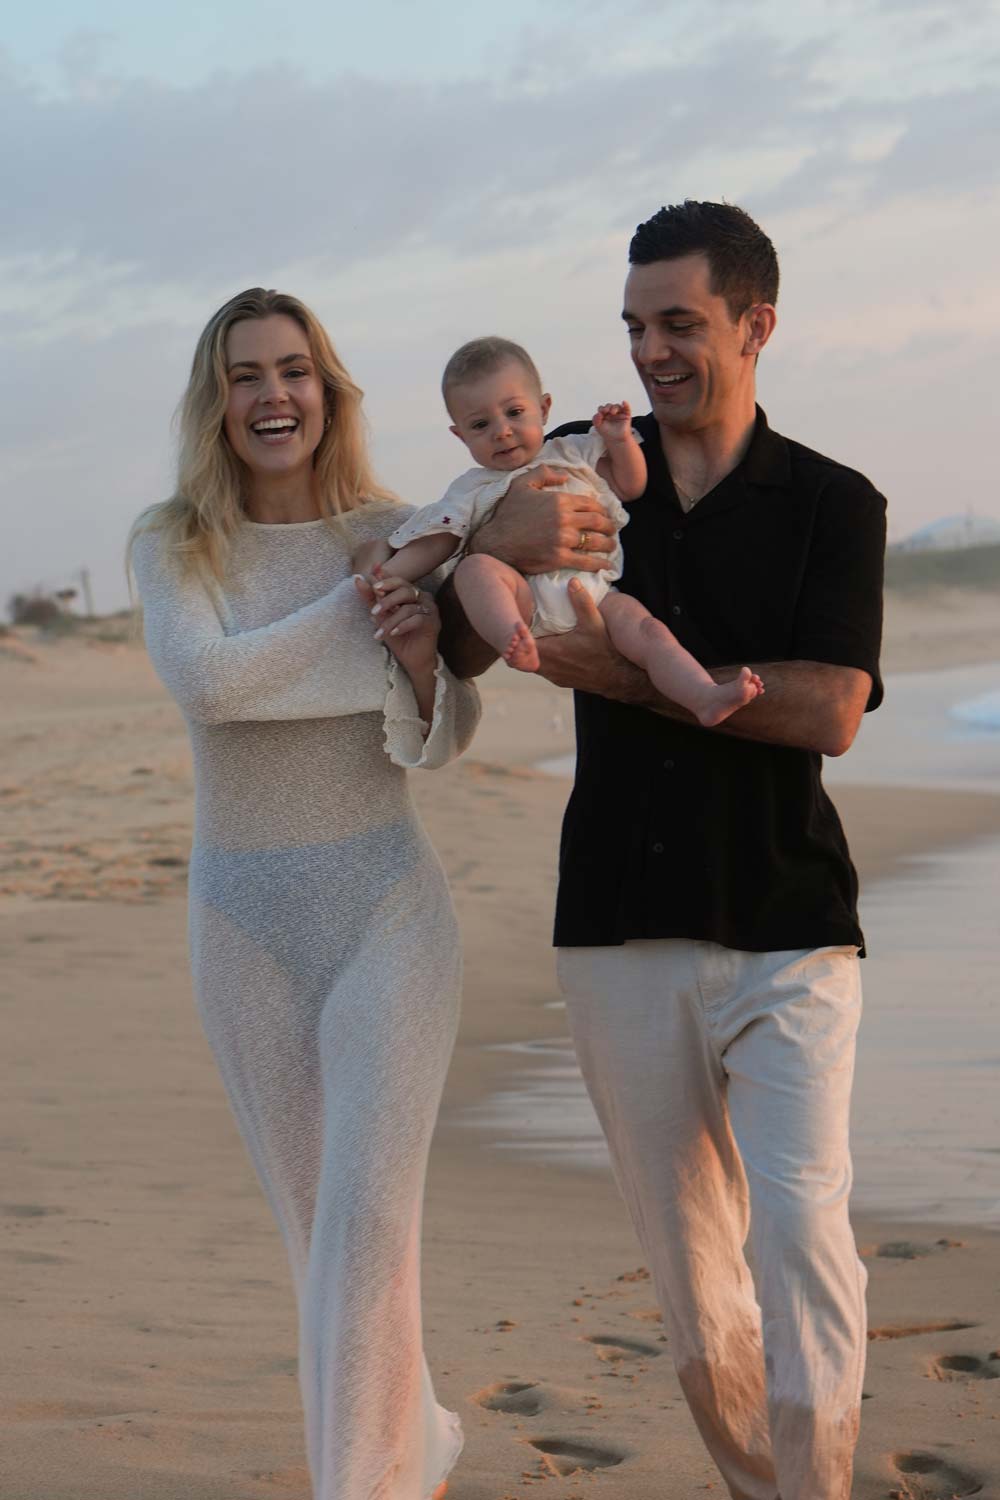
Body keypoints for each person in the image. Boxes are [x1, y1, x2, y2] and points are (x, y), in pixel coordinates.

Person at [439, 201, 886, 1499]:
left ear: (756, 325)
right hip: (618, 925)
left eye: (680, 324)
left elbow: (831, 709)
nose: (652, 353)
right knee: (694, 1278)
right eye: (636, 327)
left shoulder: (831, 503)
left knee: (802, 1231)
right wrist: (487, 552)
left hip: (791, 921)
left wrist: (630, 677)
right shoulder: (566, 468)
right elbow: (470, 637)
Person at [129, 288, 480, 1500]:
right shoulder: (173, 544)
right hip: (242, 926)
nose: (272, 395)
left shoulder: (402, 526)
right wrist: (360, 620)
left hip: (386, 905)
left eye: (294, 370)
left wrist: (422, 658)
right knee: (317, 1233)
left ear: (328, 391)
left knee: (371, 1227)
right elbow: (209, 687)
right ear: (214, 402)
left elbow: (434, 740)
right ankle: (411, 1437)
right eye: (244, 376)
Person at [356, 337, 762, 724]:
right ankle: (511, 638)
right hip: (524, 601)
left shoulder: (575, 451)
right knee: (475, 570)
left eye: (514, 413)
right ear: (459, 435)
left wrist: (619, 440)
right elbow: (437, 542)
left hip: (597, 596)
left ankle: (703, 695)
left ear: (544, 409)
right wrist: (389, 575)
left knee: (650, 632)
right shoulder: (472, 488)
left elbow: (631, 484)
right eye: (480, 425)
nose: (502, 431)